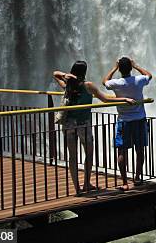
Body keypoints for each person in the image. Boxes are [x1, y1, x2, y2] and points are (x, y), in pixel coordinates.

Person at [53, 61, 134, 195]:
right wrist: (124, 99)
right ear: (84, 72)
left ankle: (77, 189)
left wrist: (66, 75)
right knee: (89, 153)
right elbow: (105, 100)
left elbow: (55, 73)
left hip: (68, 124)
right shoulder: (88, 85)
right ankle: (86, 184)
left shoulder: (68, 85)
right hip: (83, 124)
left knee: (72, 156)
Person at [102, 57, 153, 191]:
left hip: (124, 121)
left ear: (120, 69)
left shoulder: (116, 83)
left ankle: (124, 182)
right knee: (140, 149)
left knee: (122, 151)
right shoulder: (138, 80)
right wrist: (136, 65)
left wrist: (114, 68)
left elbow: (104, 82)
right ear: (130, 68)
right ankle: (137, 178)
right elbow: (149, 75)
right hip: (140, 119)